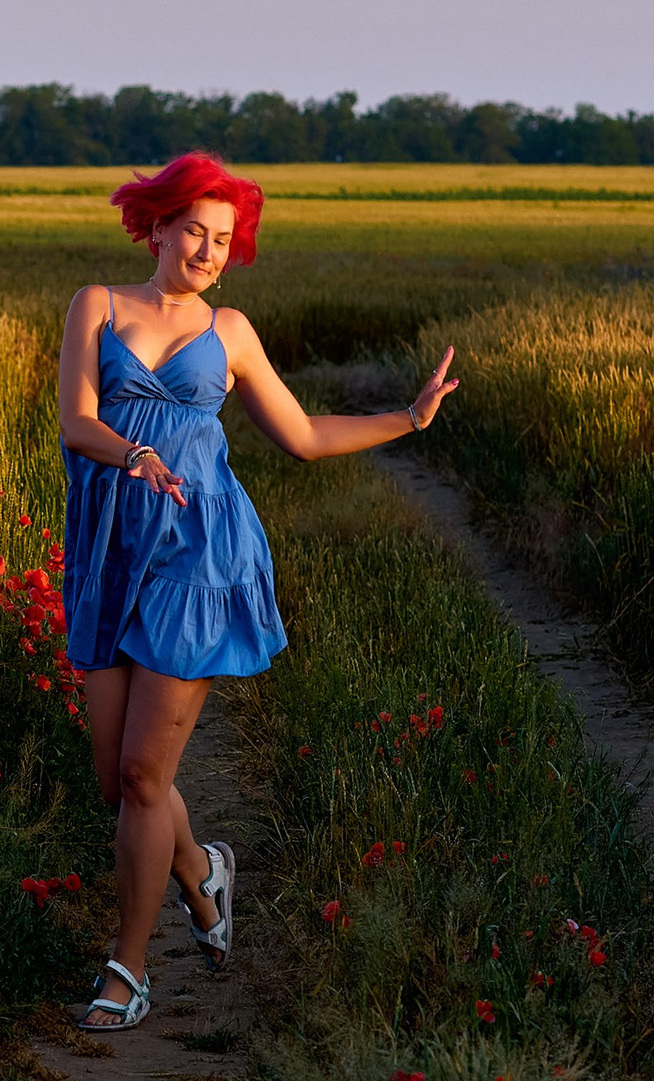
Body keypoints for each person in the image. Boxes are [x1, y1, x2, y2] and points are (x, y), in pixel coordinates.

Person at [57, 152, 459, 1030]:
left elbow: (304, 434)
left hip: (199, 555)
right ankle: (203, 874)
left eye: (224, 239)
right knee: (115, 778)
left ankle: (128, 968)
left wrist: (407, 417)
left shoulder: (230, 331)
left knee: (140, 771)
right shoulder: (97, 305)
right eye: (194, 230)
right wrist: (133, 454)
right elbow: (76, 420)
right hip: (109, 550)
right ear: (157, 226)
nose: (207, 249)